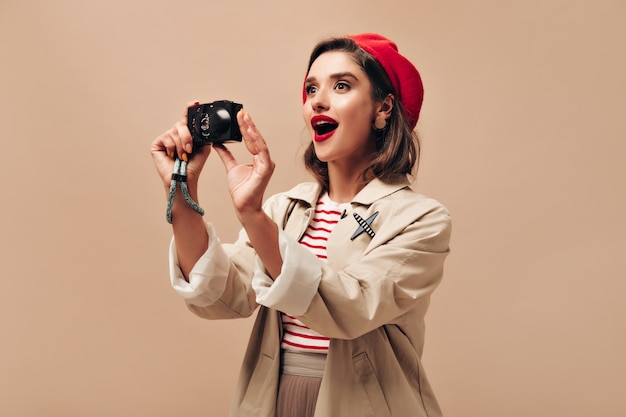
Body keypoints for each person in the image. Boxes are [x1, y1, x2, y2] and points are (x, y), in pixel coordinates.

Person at [151, 33, 451, 417]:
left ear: (383, 108)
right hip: (275, 396)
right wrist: (181, 191)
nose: (318, 100)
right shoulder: (284, 210)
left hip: (365, 404)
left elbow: (352, 307)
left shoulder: (422, 219)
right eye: (311, 89)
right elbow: (220, 296)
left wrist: (253, 217)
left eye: (341, 85)